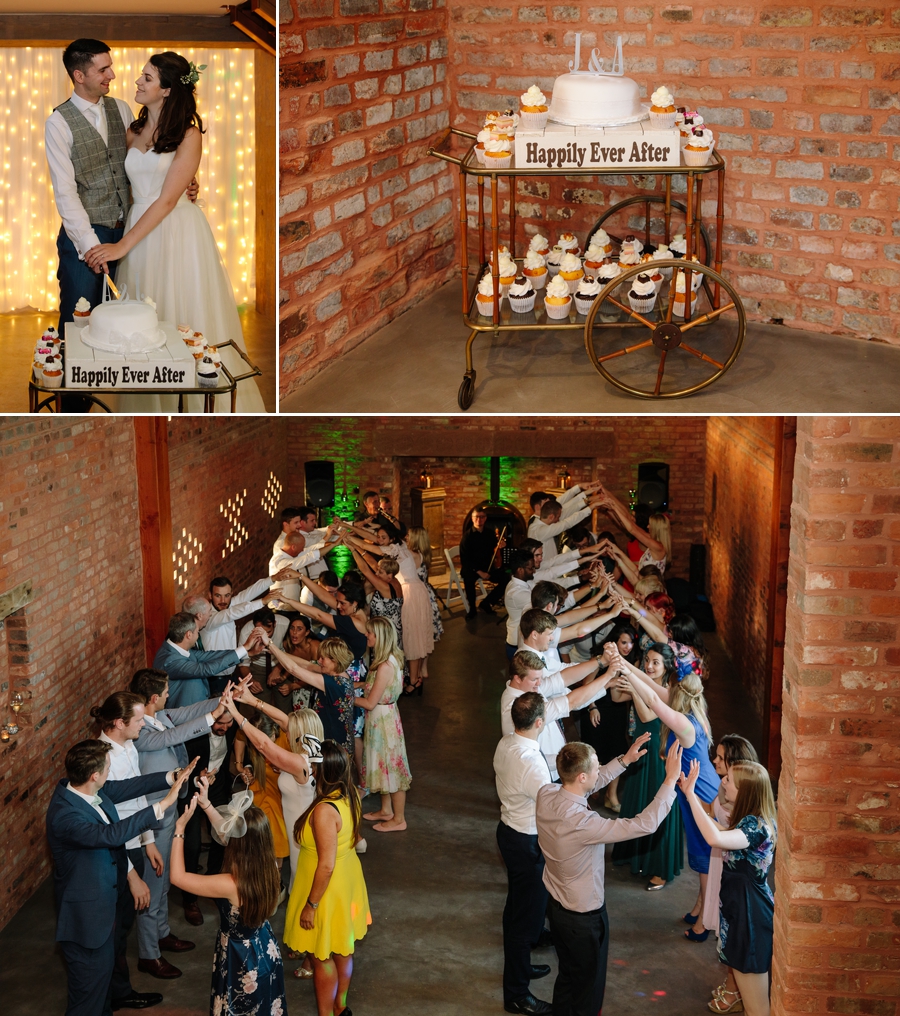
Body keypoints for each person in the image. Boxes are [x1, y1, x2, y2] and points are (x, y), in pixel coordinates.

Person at [84, 51, 265, 412]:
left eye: (147, 78)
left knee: (182, 315)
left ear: (167, 90)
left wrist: (120, 246)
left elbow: (167, 201)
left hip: (178, 232)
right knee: (145, 323)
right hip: (140, 229)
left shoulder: (189, 133)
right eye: (142, 76)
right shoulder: (132, 131)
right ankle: (151, 402)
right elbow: (132, 187)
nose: (137, 81)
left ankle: (195, 404)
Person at [536, 735, 683, 1016]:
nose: (599, 770)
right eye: (595, 767)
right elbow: (644, 824)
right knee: (588, 993)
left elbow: (588, 783)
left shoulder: (547, 792)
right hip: (583, 920)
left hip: (555, 909)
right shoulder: (584, 823)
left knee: (567, 977)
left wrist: (624, 761)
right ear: (581, 776)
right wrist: (669, 782)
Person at [46, 739, 195, 1016]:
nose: (109, 772)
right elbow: (109, 836)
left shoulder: (89, 792)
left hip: (104, 910)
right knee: (86, 1002)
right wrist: (162, 806)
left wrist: (171, 777)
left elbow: (129, 787)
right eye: (107, 768)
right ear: (95, 775)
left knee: (101, 994)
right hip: (86, 924)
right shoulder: (66, 816)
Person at [130, 669, 235, 977]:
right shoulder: (142, 733)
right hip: (151, 817)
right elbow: (175, 736)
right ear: (152, 698)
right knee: (152, 881)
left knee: (162, 882)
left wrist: (224, 698)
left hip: (169, 808)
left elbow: (189, 711)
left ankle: (161, 933)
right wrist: (214, 714)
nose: (168, 695)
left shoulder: (159, 715)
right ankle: (149, 954)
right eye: (164, 691)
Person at [615, 655, 721, 940]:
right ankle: (700, 906)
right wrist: (624, 663)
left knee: (705, 860)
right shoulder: (692, 708)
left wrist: (624, 667)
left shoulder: (685, 725)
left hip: (701, 795)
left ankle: (705, 923)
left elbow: (652, 700)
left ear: (677, 692)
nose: (666, 691)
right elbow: (650, 685)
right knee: (701, 859)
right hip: (694, 790)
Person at [169, 786, 287, 1016]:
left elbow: (177, 877)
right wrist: (206, 805)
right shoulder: (268, 866)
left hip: (240, 958)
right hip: (264, 948)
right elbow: (228, 834)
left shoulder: (230, 884)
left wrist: (179, 830)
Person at [680, 759, 777, 1016]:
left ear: (744, 790)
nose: (722, 781)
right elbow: (722, 831)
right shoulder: (749, 821)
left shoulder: (757, 827)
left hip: (750, 917)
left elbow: (716, 838)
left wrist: (690, 794)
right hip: (741, 911)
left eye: (729, 780)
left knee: (757, 1009)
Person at [283, 740, 371, 1016]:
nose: (309, 768)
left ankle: (327, 1014)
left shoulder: (323, 811)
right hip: (348, 881)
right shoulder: (351, 795)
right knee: (343, 949)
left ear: (323, 771)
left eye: (313, 765)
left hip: (326, 890)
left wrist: (312, 904)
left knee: (322, 957)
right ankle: (340, 1005)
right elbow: (354, 838)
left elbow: (326, 865)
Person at [493, 693, 554, 1016]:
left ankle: (522, 965)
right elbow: (551, 808)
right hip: (527, 842)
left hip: (509, 832)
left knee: (516, 907)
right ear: (539, 723)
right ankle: (516, 994)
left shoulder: (506, 743)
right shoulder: (531, 763)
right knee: (524, 919)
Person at [610, 643, 685, 888]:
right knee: (637, 800)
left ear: (667, 667)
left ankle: (660, 869)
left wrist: (634, 687)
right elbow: (616, 696)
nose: (649, 666)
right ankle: (635, 858)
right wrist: (618, 675)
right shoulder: (641, 682)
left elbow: (647, 716)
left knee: (657, 804)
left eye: (656, 663)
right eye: (647, 661)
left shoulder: (670, 690)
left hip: (658, 752)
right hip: (639, 748)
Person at [705, 735, 761, 1014]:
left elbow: (719, 834)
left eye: (720, 756)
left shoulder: (740, 797)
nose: (714, 760)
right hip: (724, 864)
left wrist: (690, 796)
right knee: (726, 933)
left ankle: (734, 987)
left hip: (734, 869)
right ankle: (734, 984)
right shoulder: (727, 786)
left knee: (734, 935)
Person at [500, 648, 610, 780]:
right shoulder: (518, 708)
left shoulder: (528, 688)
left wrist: (601, 661)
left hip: (553, 770)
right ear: (517, 678)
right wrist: (568, 760)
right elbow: (571, 702)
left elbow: (562, 678)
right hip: (544, 775)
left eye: (540, 678)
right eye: (535, 679)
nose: (539, 683)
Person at [354, 617, 412, 832]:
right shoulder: (388, 659)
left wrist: (345, 695)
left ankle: (399, 819)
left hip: (383, 721)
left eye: (370, 633)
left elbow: (369, 702)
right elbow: (376, 687)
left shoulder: (385, 665)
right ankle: (386, 810)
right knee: (384, 765)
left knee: (392, 768)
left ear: (380, 636)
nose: (367, 636)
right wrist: (359, 684)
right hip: (384, 718)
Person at [581, 624, 638, 813]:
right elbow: (586, 685)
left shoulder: (631, 662)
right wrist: (592, 707)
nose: (628, 647)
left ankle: (610, 796)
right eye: (624, 642)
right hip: (597, 707)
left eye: (631, 643)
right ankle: (591, 787)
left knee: (617, 751)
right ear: (614, 641)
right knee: (595, 753)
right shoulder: (601, 658)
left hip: (617, 710)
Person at [153, 611, 258, 708]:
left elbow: (210, 656)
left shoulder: (177, 649)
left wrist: (246, 650)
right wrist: (245, 647)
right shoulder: (170, 660)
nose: (198, 635)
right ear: (188, 635)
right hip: (186, 718)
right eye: (197, 631)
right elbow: (205, 669)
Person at [459, 507, 510, 618]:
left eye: (482, 517)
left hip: (487, 566)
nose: (479, 519)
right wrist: (479, 572)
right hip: (472, 568)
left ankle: (486, 603)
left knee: (506, 578)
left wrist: (500, 546)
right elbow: (465, 559)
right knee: (468, 578)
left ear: (485, 518)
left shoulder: (490, 533)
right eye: (476, 517)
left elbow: (494, 549)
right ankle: (472, 609)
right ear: (472, 519)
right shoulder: (467, 536)